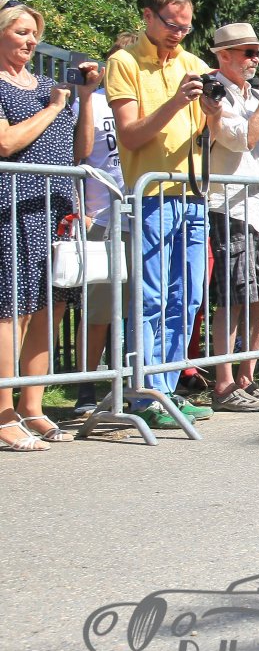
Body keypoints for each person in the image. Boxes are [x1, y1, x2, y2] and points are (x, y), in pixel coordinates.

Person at [105, 0, 216, 430]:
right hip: (151, 197)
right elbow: (130, 136)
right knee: (150, 299)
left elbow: (213, 131)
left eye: (186, 27)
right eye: (172, 25)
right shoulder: (124, 61)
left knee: (186, 300)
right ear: (148, 17)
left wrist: (213, 109)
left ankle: (167, 391)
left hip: (193, 196)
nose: (179, 34)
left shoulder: (194, 64)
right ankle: (143, 394)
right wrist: (176, 101)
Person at [0, 0, 98, 451]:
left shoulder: (46, 86)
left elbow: (81, 151)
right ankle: (3, 413)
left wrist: (83, 99)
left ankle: (32, 407)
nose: (30, 40)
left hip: (56, 207)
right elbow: (6, 143)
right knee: (12, 310)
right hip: (14, 206)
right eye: (21, 32)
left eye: (34, 33)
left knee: (47, 308)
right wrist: (56, 107)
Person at [202, 23, 259, 412]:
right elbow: (242, 140)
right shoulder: (213, 92)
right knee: (235, 299)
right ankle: (223, 384)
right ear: (224, 55)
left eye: (257, 53)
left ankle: (247, 378)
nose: (255, 60)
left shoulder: (255, 95)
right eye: (248, 52)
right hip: (232, 208)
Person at [71, 31, 133, 416]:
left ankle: (126, 386)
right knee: (98, 312)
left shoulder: (147, 102)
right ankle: (85, 388)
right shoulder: (92, 101)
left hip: (143, 214)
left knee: (133, 310)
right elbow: (79, 155)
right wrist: (81, 208)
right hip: (104, 218)